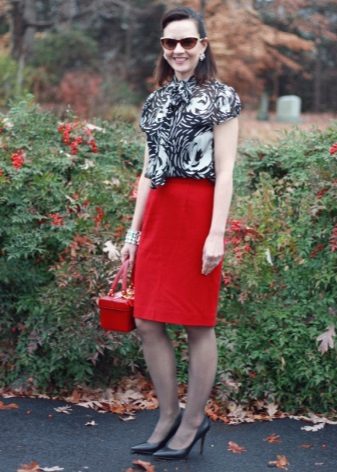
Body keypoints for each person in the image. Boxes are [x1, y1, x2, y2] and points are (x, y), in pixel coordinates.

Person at [120, 6, 241, 461]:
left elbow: (226, 173)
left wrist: (217, 234)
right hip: (159, 214)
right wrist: (132, 237)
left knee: (196, 322)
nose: (178, 50)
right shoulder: (154, 101)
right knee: (148, 319)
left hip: (198, 214)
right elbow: (149, 171)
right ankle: (167, 414)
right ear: (163, 48)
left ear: (203, 46)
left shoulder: (222, 97)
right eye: (170, 42)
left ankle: (194, 420)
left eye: (187, 41)